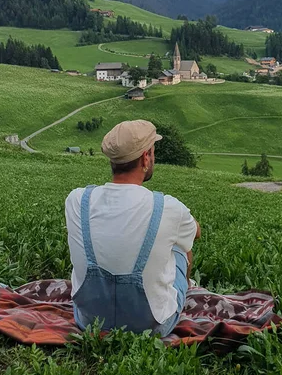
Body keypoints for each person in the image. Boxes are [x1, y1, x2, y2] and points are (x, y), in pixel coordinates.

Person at [65, 119, 201, 336]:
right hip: (152, 327)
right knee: (180, 247)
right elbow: (196, 233)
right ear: (146, 157)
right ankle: (182, 290)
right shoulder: (167, 206)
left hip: (91, 321)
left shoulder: (76, 200)